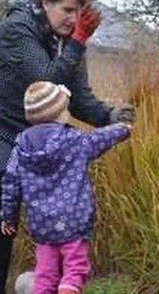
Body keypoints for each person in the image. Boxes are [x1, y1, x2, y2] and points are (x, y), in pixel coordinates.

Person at [0, 0, 135, 293]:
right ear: (47, 2)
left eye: (79, 12)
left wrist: (110, 115)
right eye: (68, 10)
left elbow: (76, 98)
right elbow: (45, 79)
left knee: (54, 224)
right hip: (3, 132)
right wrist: (76, 43)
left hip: (38, 140)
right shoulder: (16, 30)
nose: (74, 19)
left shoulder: (68, 40)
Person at [1, 81, 132, 294]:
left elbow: (10, 184)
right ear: (60, 113)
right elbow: (99, 138)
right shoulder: (74, 140)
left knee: (45, 272)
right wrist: (123, 129)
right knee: (74, 268)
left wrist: (8, 216)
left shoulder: (20, 149)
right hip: (73, 221)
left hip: (42, 224)